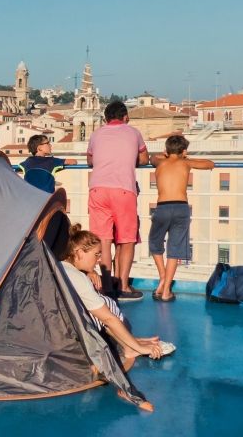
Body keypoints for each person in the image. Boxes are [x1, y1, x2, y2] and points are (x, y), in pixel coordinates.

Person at [60, 224, 175, 365]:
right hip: (72, 334)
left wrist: (91, 272)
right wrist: (139, 348)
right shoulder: (78, 278)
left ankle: (129, 342)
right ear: (79, 252)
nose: (99, 260)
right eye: (96, 254)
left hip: (60, 327)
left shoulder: (61, 267)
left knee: (100, 306)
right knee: (106, 306)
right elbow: (107, 318)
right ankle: (129, 347)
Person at [87, 101, 149, 300]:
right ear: (126, 117)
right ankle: (123, 286)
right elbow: (144, 159)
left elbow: (90, 160)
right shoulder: (133, 133)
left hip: (97, 190)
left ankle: (106, 287)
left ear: (105, 119)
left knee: (103, 241)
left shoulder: (96, 134)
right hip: (123, 190)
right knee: (127, 240)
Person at [149, 135, 214, 302]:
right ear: (184, 151)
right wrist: (187, 158)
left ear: (166, 150)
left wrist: (164, 155)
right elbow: (209, 164)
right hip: (181, 207)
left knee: (155, 243)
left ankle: (162, 278)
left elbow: (151, 157)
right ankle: (166, 291)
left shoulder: (160, 162)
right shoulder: (186, 163)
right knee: (175, 249)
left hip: (162, 207)